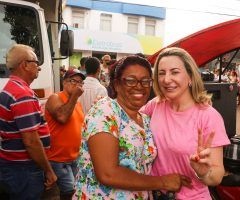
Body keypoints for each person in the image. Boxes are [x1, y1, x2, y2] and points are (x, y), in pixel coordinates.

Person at [74, 55, 191, 199]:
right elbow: (107, 174)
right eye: (130, 81)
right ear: (116, 84)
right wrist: (163, 182)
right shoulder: (105, 110)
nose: (139, 86)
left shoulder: (145, 119)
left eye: (145, 81)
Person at [140, 47, 230, 199]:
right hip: (154, 194)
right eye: (161, 73)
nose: (166, 79)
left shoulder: (209, 116)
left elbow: (216, 177)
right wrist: (108, 107)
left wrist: (203, 173)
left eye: (174, 72)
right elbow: (126, 120)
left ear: (190, 77)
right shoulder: (155, 105)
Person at [0, 44, 57, 199]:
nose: (38, 67)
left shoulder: (12, 88)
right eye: (36, 62)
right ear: (25, 65)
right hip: (24, 169)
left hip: (16, 167)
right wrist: (48, 170)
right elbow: (31, 141)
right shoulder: (22, 94)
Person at [45, 69, 85, 199]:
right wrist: (74, 96)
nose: (77, 84)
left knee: (74, 190)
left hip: (74, 158)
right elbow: (62, 117)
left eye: (80, 82)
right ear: (64, 82)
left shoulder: (77, 103)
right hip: (59, 159)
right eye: (73, 81)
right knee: (70, 193)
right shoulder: (54, 98)